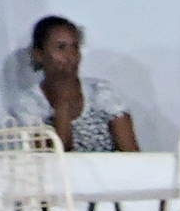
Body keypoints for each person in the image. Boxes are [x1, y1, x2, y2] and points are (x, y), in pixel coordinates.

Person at [11, 16, 135, 152]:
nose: (70, 55)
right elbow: (54, 157)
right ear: (39, 54)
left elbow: (131, 154)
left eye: (75, 47)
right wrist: (61, 102)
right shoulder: (28, 105)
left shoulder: (101, 91)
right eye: (61, 47)